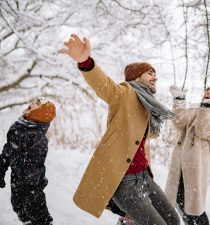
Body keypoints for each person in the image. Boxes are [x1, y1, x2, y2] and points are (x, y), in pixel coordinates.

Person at [59, 34, 180, 225]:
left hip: (144, 177)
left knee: (173, 219)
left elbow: (146, 137)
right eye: (150, 73)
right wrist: (86, 62)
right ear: (136, 77)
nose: (155, 76)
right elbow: (104, 86)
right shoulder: (125, 94)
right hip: (125, 181)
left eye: (155, 73)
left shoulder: (148, 103)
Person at [165, 84, 210, 225]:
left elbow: (202, 130)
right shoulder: (196, 108)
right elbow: (178, 122)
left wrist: (206, 107)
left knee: (194, 207)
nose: (209, 91)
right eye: (208, 89)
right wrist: (179, 100)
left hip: (198, 166)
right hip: (180, 164)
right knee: (179, 200)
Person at [0, 97, 56, 225]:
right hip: (16, 179)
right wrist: (2, 166)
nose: (30, 105)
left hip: (32, 186)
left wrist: (31, 187)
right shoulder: (17, 127)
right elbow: (9, 149)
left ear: (41, 114)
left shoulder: (38, 138)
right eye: (32, 103)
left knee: (38, 213)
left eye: (36, 105)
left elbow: (35, 164)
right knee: (19, 207)